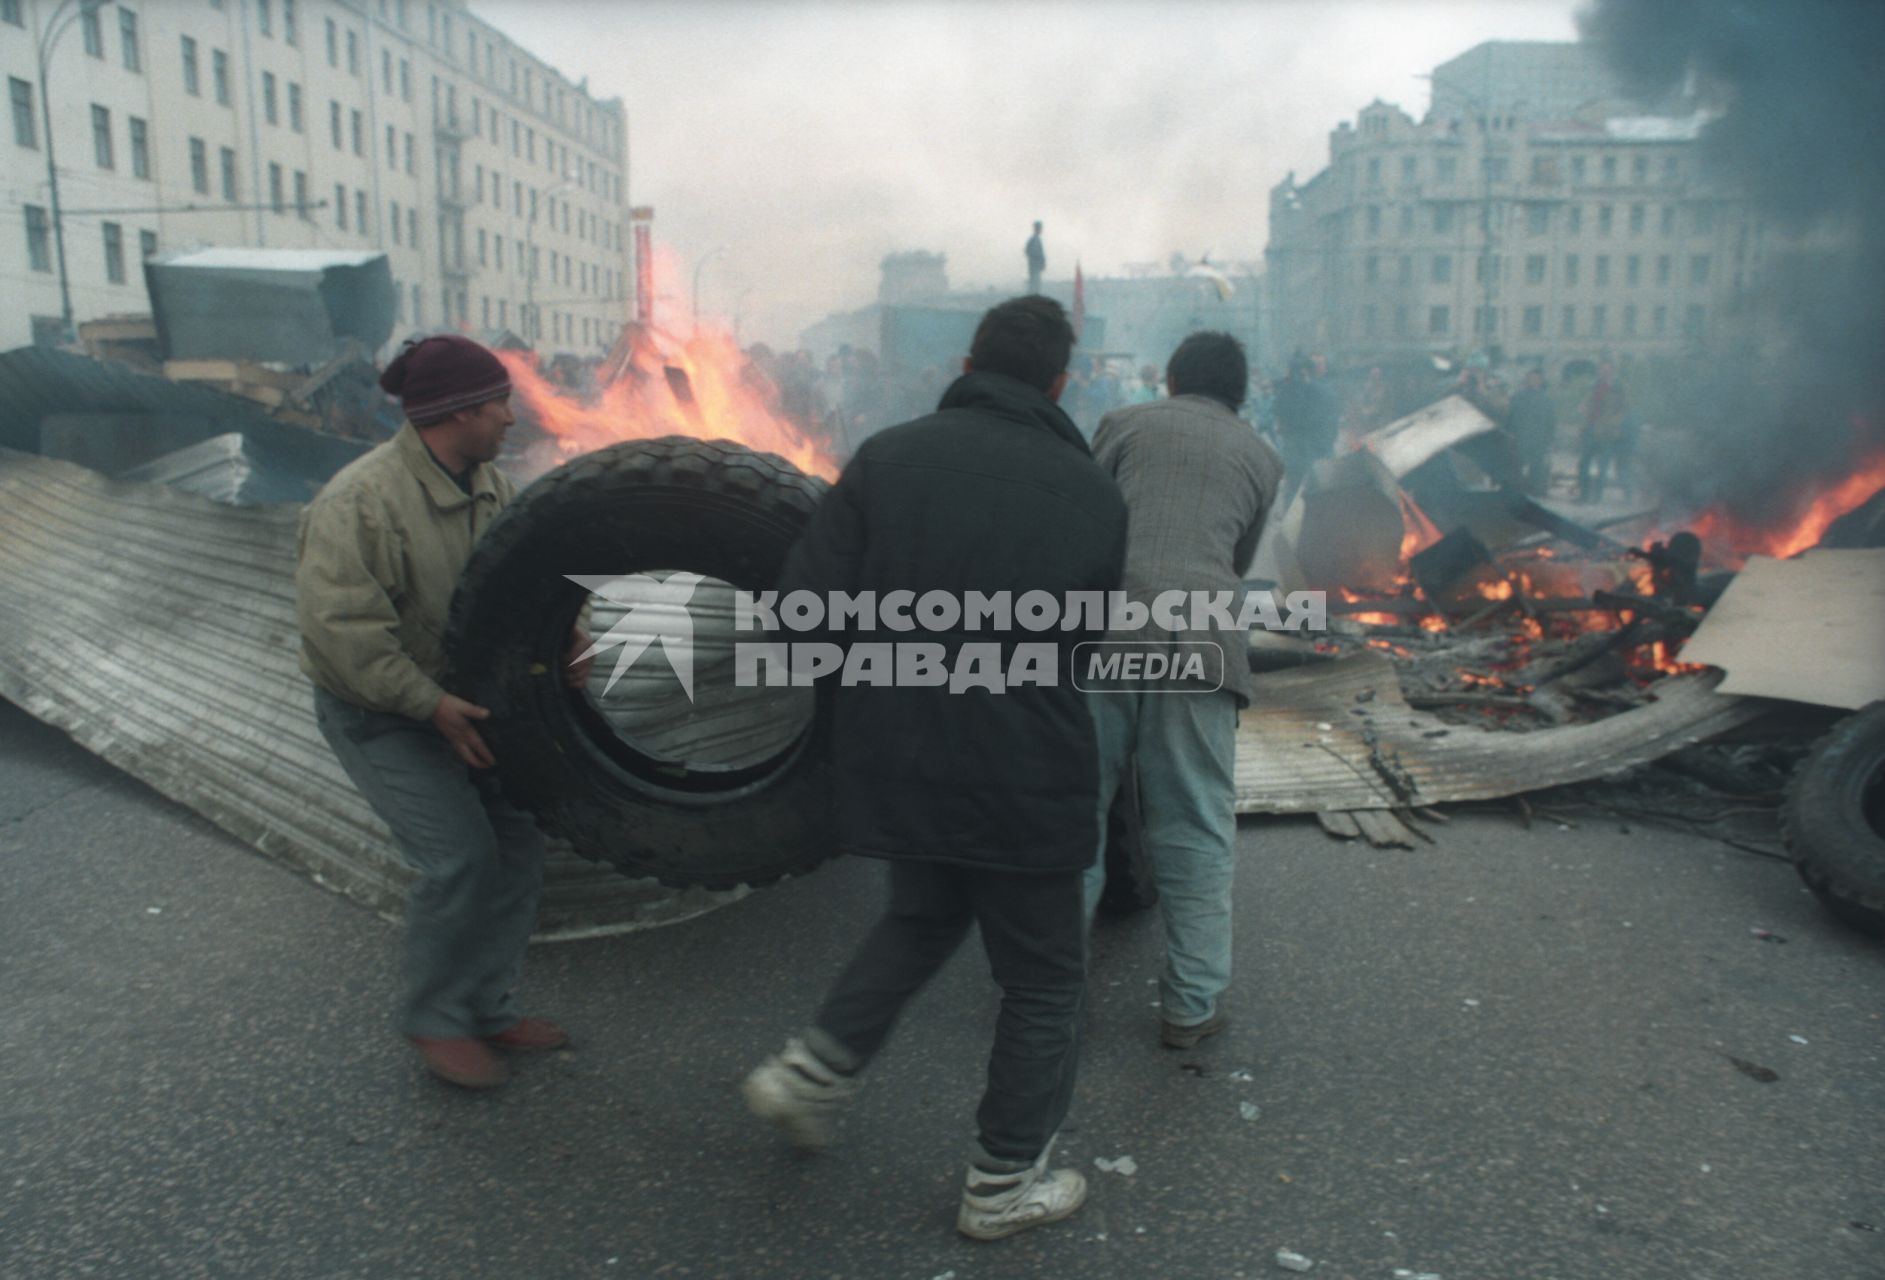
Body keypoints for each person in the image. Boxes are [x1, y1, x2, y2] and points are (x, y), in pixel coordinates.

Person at [742, 297, 1128, 1242]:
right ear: (1058, 383)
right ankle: (1002, 1184)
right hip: (1027, 766)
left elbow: (802, 620)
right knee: (1041, 981)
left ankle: (810, 1073)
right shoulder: (1092, 494)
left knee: (920, 916)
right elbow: (1085, 643)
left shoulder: (888, 455)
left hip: (901, 752)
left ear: (967, 361)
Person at [295, 334, 591, 1090]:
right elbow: (343, 638)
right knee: (459, 858)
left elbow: (530, 585)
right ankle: (433, 1018)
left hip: (466, 702)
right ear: (457, 412)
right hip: (381, 709)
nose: (511, 417)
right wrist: (428, 705)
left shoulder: (493, 487)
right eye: (499, 402)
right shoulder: (359, 504)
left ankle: (486, 1007)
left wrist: (567, 639)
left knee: (518, 848)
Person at [1083, 332, 1283, 1050]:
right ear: (1241, 391)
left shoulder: (1124, 425)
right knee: (1196, 825)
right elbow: (1236, 559)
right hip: (1201, 641)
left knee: (1075, 817)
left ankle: (1045, 992)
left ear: (1169, 379)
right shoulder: (1262, 456)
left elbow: (1086, 515)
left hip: (1106, 632)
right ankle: (1191, 1008)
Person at [1272, 354, 1338, 499]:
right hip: (1310, 451)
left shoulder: (1286, 392)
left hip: (1304, 451)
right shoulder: (1322, 391)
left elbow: (1280, 421)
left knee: (1298, 492)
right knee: (1316, 492)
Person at [1578, 360, 1627, 502]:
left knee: (1603, 465)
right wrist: (1583, 413)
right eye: (1601, 370)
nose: (1603, 372)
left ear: (1612, 371)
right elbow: (1586, 404)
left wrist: (1612, 423)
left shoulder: (1619, 388)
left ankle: (1597, 496)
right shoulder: (1593, 386)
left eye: (1607, 370)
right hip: (1590, 429)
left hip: (1607, 432)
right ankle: (1583, 495)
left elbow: (1624, 410)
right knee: (1584, 463)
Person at [1507, 367, 1559, 496]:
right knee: (1517, 466)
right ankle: (1517, 490)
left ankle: (1535, 491)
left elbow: (1551, 421)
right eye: (1530, 378)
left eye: (1536, 378)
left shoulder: (1547, 400)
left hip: (1539, 438)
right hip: (1521, 437)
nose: (1533, 381)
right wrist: (1510, 434)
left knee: (1537, 467)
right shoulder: (1517, 397)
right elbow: (1510, 417)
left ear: (1541, 381)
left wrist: (1551, 439)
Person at [1025, 220, 1046, 294]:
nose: (1041, 230)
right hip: (1034, 265)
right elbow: (1028, 251)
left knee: (1036, 282)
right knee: (1034, 282)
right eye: (1039, 228)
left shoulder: (1036, 239)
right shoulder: (1033, 240)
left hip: (1035, 265)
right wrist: (1036, 259)